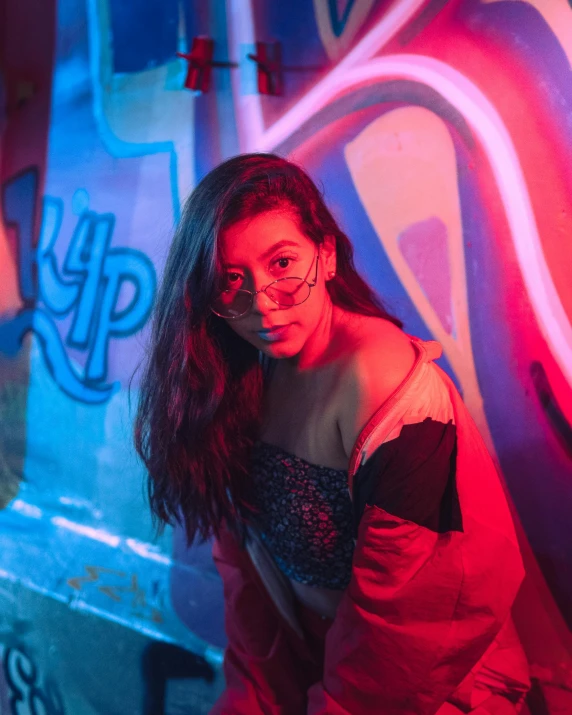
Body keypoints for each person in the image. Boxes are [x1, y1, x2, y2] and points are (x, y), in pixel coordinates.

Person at [134, 153, 530, 714]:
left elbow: (409, 614)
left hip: (415, 686)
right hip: (305, 662)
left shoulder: (384, 385)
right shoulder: (248, 371)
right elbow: (246, 571)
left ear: (324, 254)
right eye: (232, 280)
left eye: (283, 263)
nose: (263, 304)